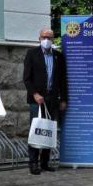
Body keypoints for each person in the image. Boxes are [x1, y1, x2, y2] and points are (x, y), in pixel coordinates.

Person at [22, 27, 68, 175]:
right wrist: (35, 94)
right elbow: (26, 78)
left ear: (53, 39)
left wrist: (63, 99)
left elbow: (63, 80)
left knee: (48, 130)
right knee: (36, 129)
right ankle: (33, 163)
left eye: (49, 37)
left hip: (53, 99)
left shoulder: (58, 56)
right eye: (44, 37)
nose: (46, 40)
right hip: (37, 100)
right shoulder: (31, 54)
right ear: (39, 38)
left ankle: (45, 162)